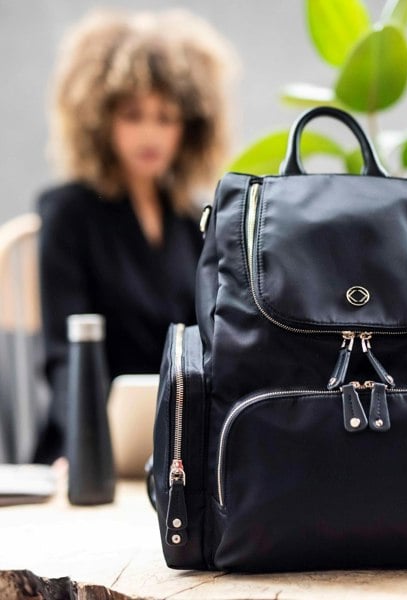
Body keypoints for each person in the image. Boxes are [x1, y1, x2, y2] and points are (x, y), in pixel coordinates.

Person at [33, 8, 239, 464]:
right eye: (134, 115)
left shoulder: (190, 220)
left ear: (190, 127)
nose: (152, 133)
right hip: (87, 449)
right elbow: (65, 355)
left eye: (166, 117)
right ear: (100, 118)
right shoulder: (68, 214)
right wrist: (86, 444)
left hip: (179, 450)